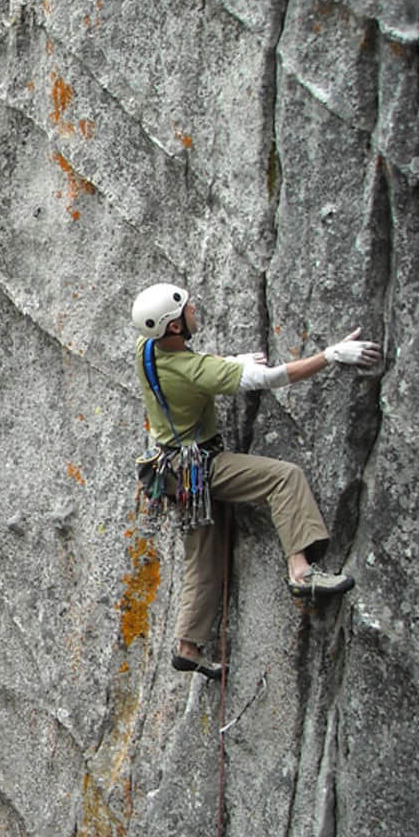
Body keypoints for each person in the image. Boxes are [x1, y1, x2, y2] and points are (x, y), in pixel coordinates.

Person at [130, 282, 381, 679]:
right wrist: (330, 355)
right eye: (187, 309)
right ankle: (301, 572)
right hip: (202, 468)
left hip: (174, 473)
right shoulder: (196, 371)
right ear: (174, 328)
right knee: (284, 478)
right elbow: (273, 378)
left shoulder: (149, 351)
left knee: (204, 555)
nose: (194, 308)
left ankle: (188, 647)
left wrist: (229, 361)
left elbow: (197, 368)